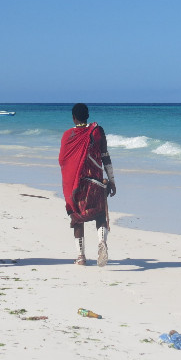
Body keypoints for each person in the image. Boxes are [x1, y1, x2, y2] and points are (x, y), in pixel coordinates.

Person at [59, 103, 116, 266]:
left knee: (77, 217)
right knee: (100, 215)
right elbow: (105, 157)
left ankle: (81, 257)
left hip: (77, 184)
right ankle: (102, 242)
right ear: (88, 116)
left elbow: (63, 160)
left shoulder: (68, 135)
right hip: (96, 182)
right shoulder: (98, 131)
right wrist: (112, 181)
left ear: (73, 118)